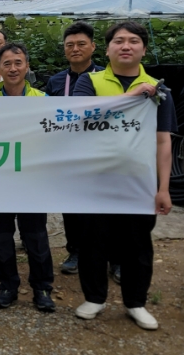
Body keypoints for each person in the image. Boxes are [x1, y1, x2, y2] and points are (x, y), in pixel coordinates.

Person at [72, 21, 175, 330]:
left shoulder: (158, 88)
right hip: (95, 180)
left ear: (144, 48)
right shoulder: (89, 82)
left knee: (137, 245)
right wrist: (132, 96)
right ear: (108, 48)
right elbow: (80, 119)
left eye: (133, 41)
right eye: (119, 41)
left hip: (139, 182)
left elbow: (163, 139)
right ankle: (94, 298)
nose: (126, 45)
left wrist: (164, 187)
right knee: (92, 242)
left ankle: (136, 302)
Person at [0, 43, 55, 313]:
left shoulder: (43, 100)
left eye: (18, 63)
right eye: (7, 64)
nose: (13, 68)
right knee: (2, 237)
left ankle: (41, 288)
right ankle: (8, 286)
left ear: (27, 66)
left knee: (36, 236)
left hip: (32, 182)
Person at [46, 22, 106, 276]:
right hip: (67, 153)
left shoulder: (106, 77)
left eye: (81, 44)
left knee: (103, 208)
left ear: (93, 46)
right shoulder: (56, 82)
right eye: (70, 45)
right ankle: (75, 251)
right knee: (71, 207)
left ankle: (112, 257)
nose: (75, 49)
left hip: (100, 154)